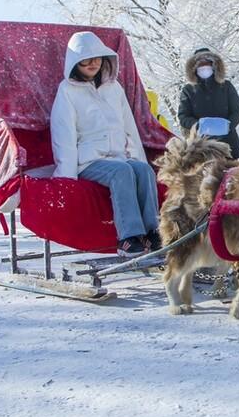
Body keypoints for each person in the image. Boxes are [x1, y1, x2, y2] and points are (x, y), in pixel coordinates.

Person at [51, 31, 159, 256]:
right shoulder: (68, 91)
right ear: (75, 62)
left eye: (97, 58)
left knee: (144, 170)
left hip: (118, 156)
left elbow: (128, 125)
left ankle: (154, 232)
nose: (93, 64)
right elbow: (64, 133)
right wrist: (67, 177)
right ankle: (129, 238)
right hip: (89, 161)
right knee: (121, 172)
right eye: (86, 60)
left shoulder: (114, 88)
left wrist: (136, 157)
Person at [178, 46, 239, 158]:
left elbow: (237, 111)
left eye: (207, 64)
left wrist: (227, 126)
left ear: (214, 65)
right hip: (200, 147)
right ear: (194, 68)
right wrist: (198, 125)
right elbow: (183, 116)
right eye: (200, 65)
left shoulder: (226, 86)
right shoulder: (188, 90)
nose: (204, 67)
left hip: (229, 144)